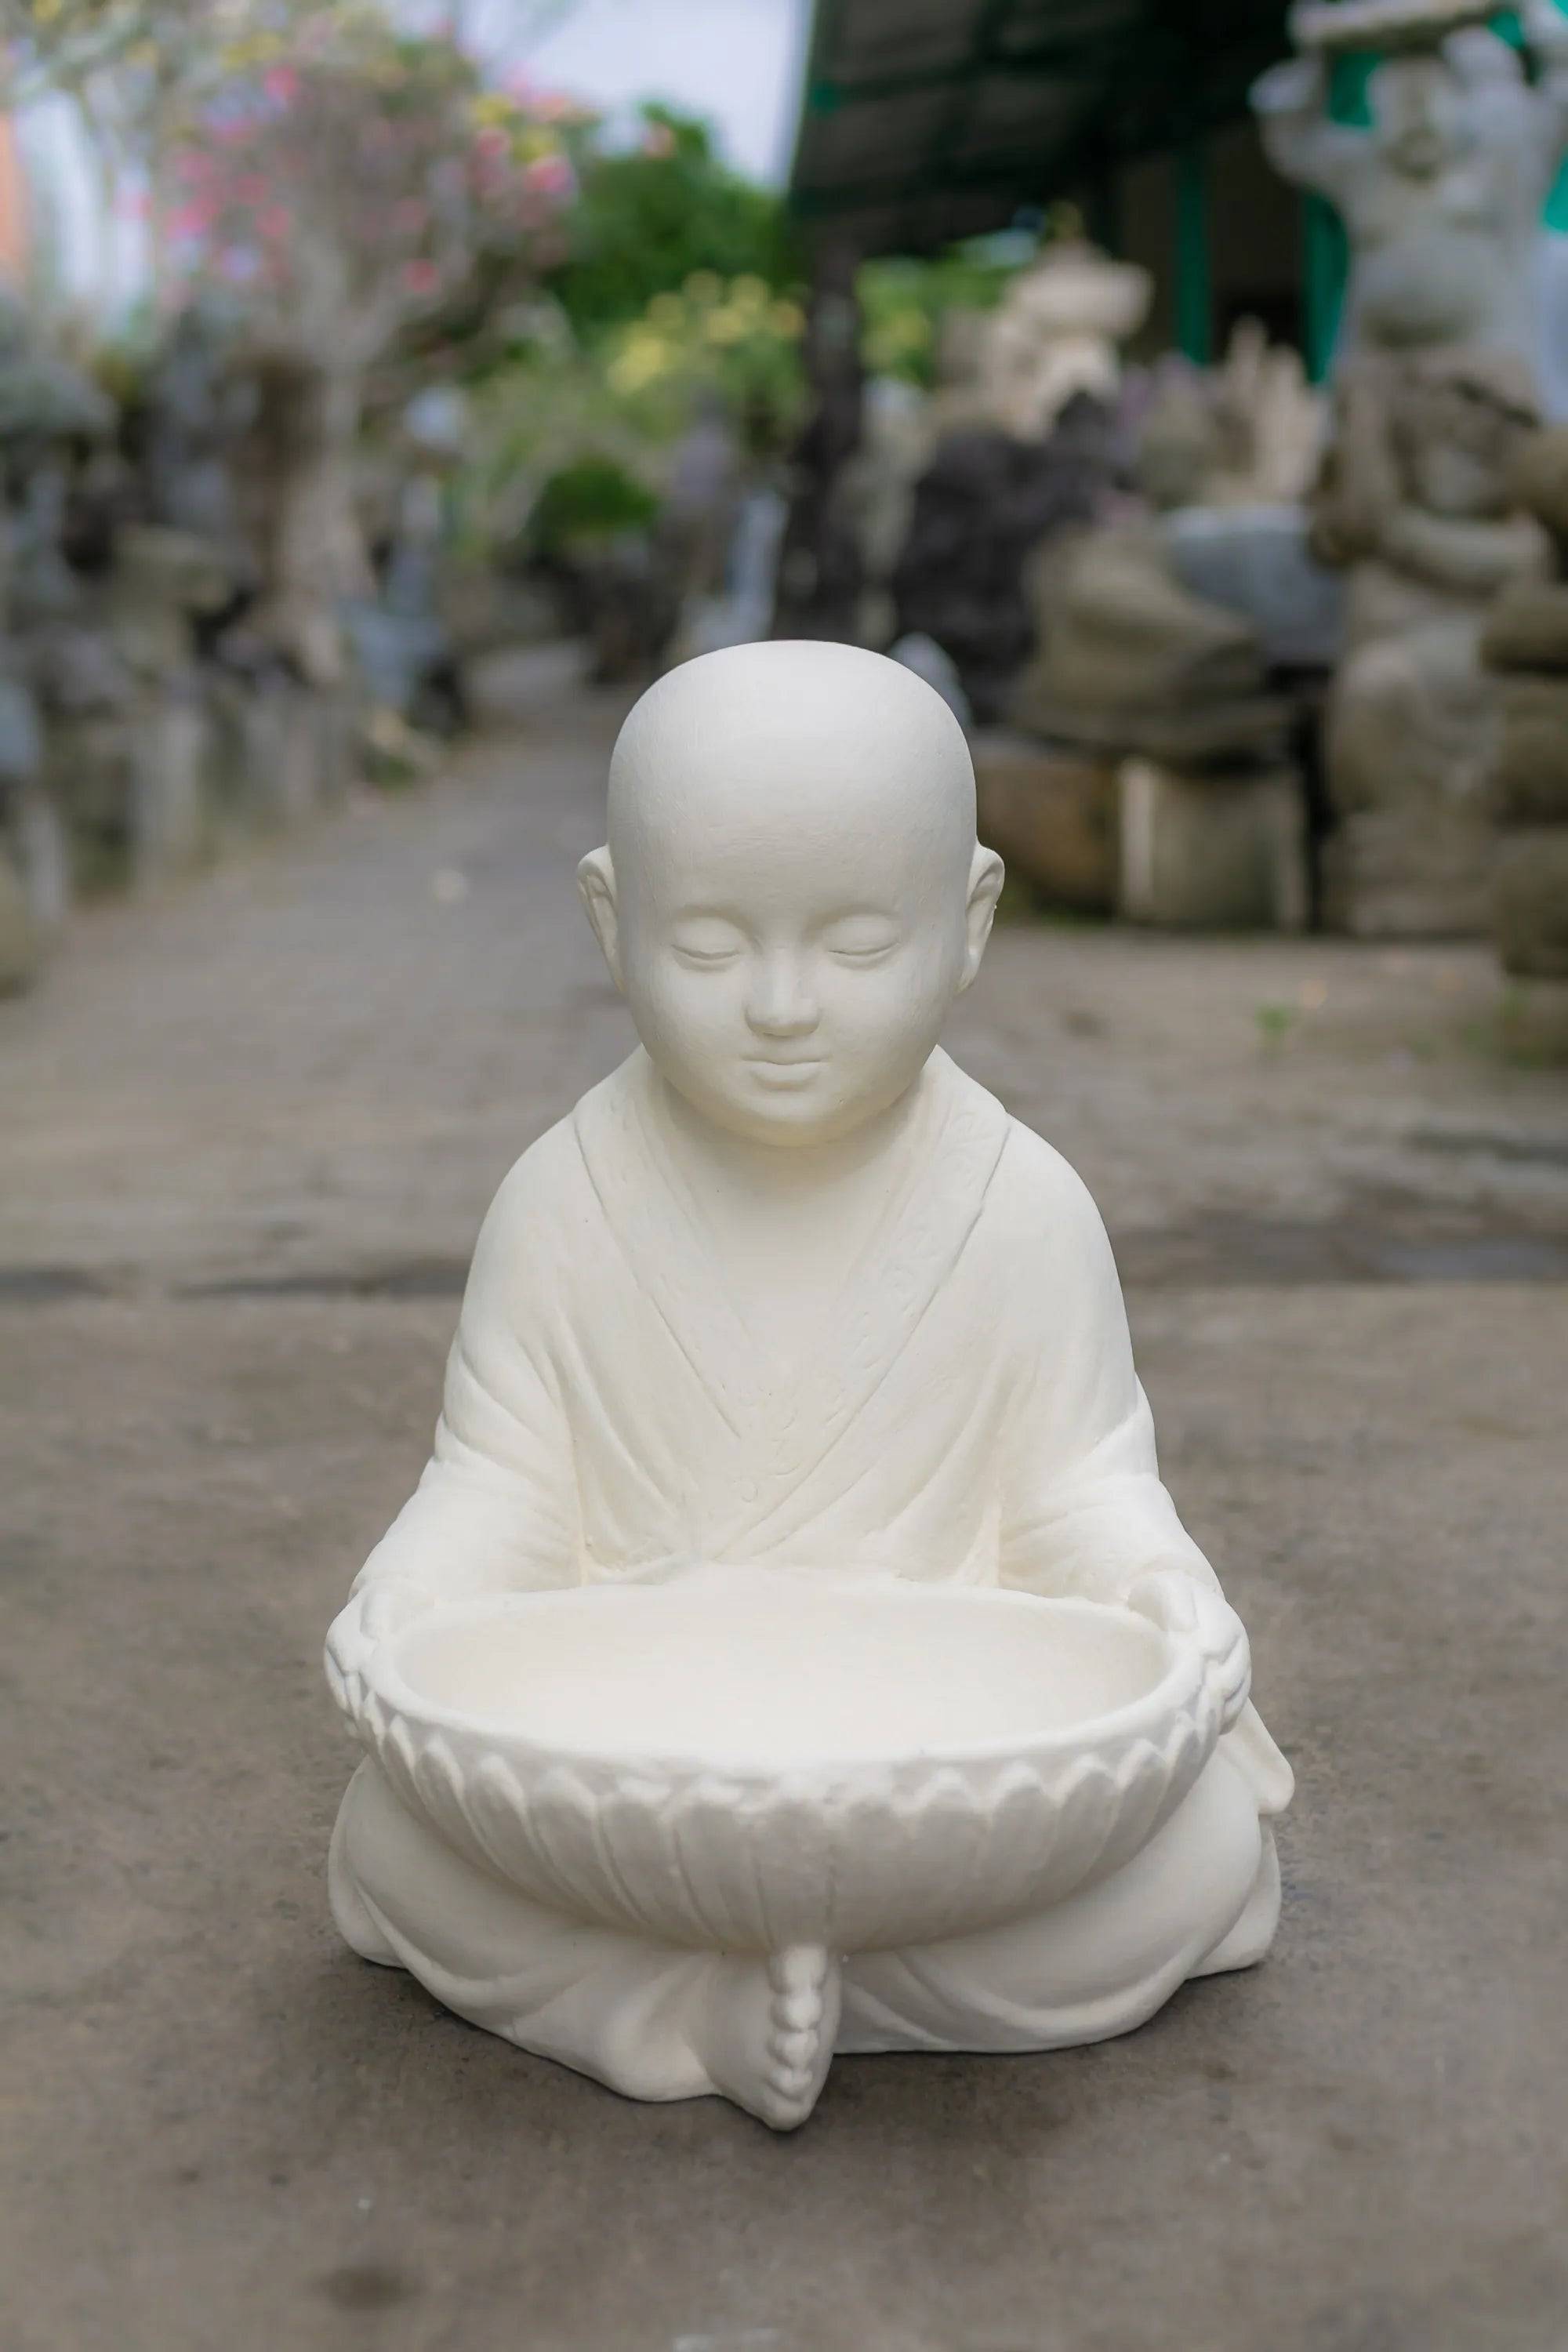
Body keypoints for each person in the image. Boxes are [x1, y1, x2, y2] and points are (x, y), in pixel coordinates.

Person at [325, 642, 1291, 2129]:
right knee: (391, 1836)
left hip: (939, 1763)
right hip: (643, 1753)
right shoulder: (562, 1203)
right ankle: (736, 1999)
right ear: (610, 919)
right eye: (709, 949)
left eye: (853, 948)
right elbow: (501, 1485)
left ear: (969, 922)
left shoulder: (1021, 1210)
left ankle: (701, 1991)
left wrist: (1162, 1587)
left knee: (1207, 1835)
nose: (780, 1007)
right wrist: (408, 1591)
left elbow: (1081, 1486)